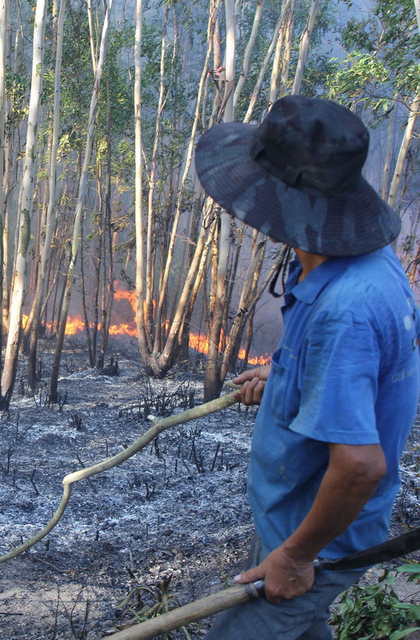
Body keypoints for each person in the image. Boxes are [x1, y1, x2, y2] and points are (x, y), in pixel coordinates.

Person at [194, 95, 420, 639]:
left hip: (320, 539)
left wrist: (296, 558)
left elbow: (361, 465)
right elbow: (359, 374)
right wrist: (291, 375)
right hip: (296, 519)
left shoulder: (347, 309)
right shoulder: (348, 262)